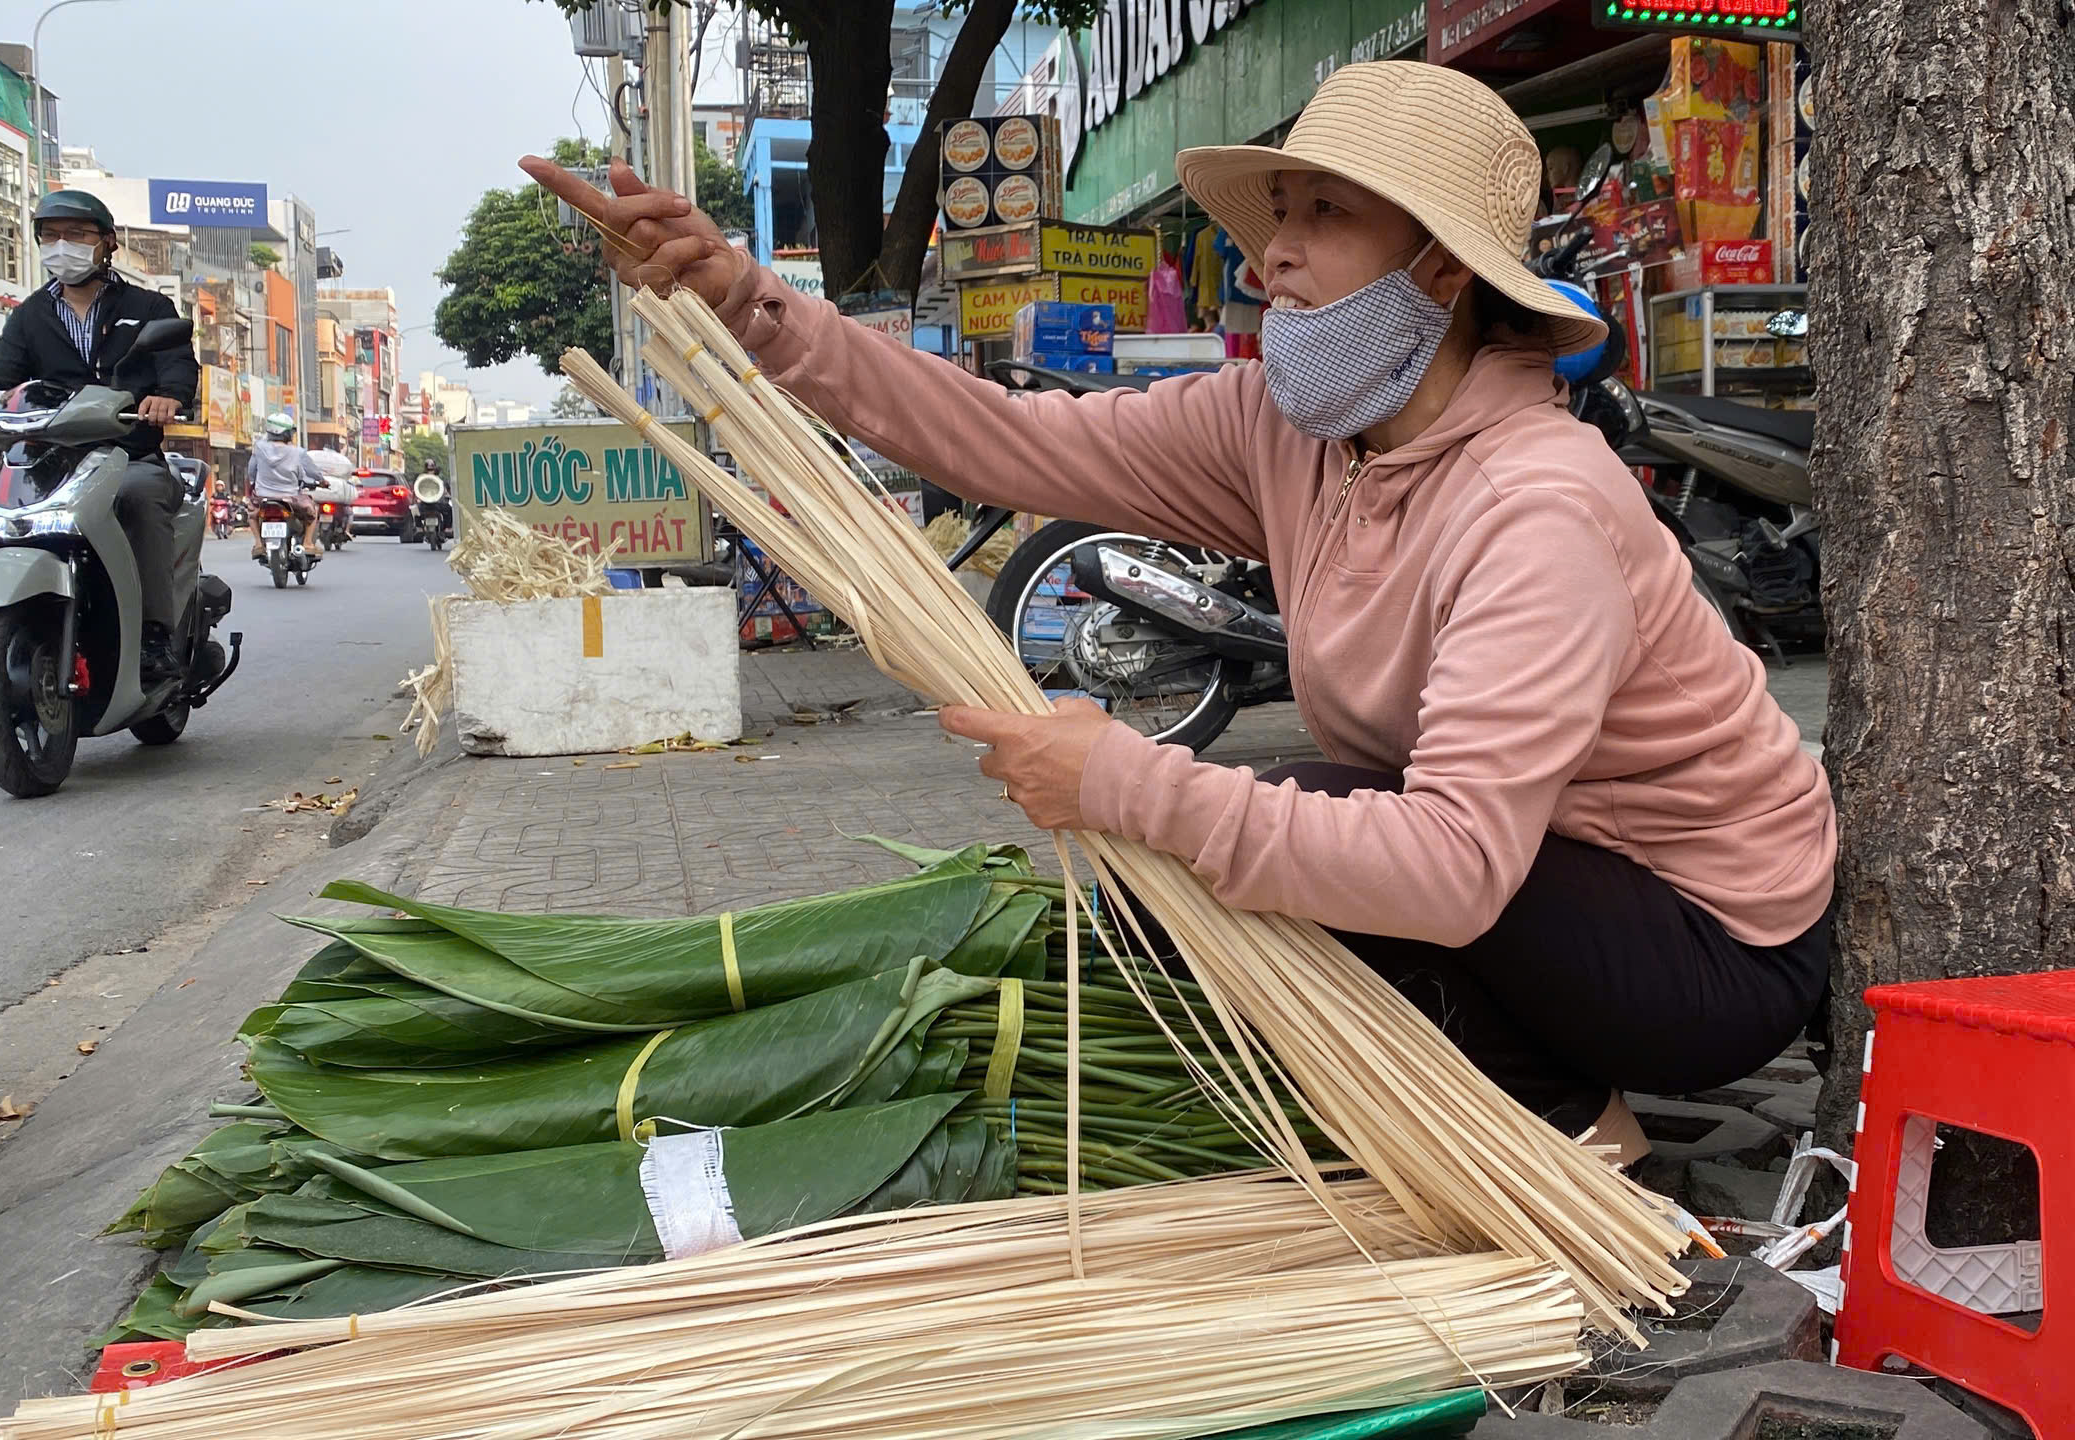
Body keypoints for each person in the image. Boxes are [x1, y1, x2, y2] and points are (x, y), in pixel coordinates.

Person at [523, 61, 1837, 1153]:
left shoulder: (1538, 504)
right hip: (1534, 889)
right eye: (1279, 211)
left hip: (1708, 946)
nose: (1272, 254)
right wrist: (742, 300)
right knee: (1188, 888)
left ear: (1440, 269)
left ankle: (1578, 1124)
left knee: (1277, 829)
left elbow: (1449, 867)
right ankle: (1487, 1096)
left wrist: (1122, 780)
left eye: (1324, 215)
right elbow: (1000, 443)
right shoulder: (1299, 434)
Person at [0, 190, 196, 684]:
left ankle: (155, 635)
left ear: (107, 242)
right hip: (51, 462)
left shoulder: (148, 305)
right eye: (50, 235)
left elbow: (176, 363)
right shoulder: (29, 315)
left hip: (126, 455)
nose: (61, 245)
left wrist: (168, 397)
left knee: (136, 500)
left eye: (76, 234)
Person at [247, 412, 323, 561]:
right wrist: (322, 481)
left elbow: (251, 470)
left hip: (263, 496)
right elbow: (313, 472)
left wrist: (253, 482)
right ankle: (307, 543)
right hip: (291, 498)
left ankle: (258, 544)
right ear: (287, 433)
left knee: (252, 515)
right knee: (312, 513)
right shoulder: (298, 452)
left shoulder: (259, 448)